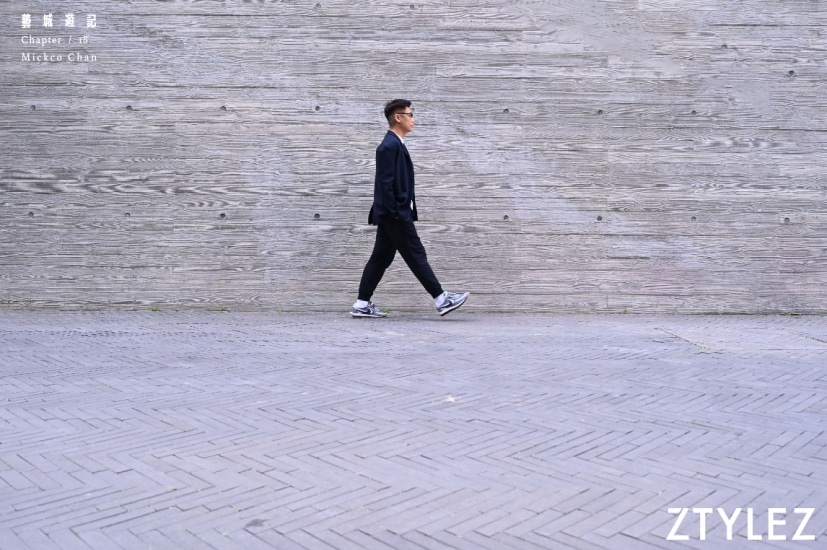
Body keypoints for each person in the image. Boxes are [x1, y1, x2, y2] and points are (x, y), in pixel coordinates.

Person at [352, 99, 469, 318]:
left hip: (392, 214)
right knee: (416, 254)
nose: (413, 119)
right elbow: (385, 184)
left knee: (380, 259)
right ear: (398, 117)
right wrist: (397, 213)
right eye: (410, 114)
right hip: (394, 215)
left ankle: (361, 304)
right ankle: (441, 299)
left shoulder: (396, 144)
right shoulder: (388, 146)